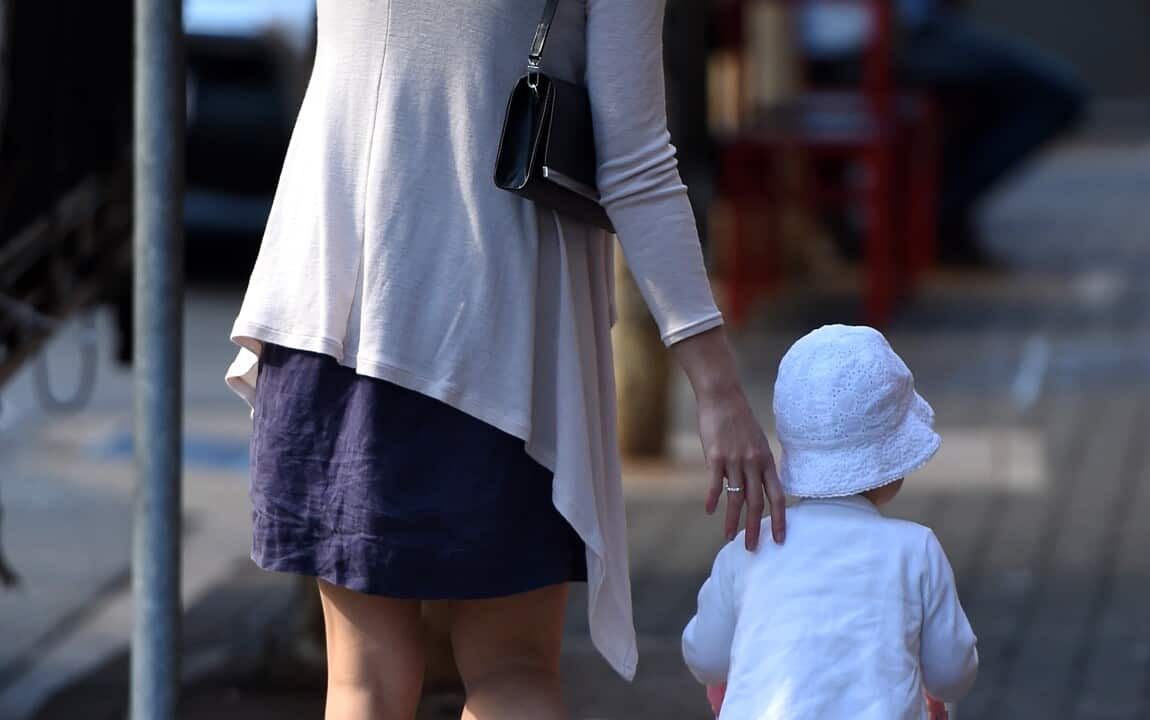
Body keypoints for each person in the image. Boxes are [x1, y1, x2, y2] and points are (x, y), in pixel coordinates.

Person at [223, 1, 786, 718]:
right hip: (501, 337)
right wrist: (717, 388)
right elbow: (635, 160)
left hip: (331, 302)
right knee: (512, 671)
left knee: (362, 681)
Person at [681, 325, 979, 719]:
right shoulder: (916, 549)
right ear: (892, 466)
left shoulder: (749, 548)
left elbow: (705, 657)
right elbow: (950, 675)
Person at [803, 0, 1088, 266]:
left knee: (1025, 95)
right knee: (1048, 96)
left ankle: (927, 215)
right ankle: (926, 218)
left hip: (911, 31)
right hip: (864, 44)